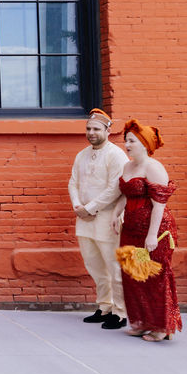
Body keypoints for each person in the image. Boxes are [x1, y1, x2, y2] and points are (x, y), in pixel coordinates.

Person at [110, 119, 182, 342]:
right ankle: (142, 323)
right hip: (131, 229)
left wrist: (152, 236)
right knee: (135, 275)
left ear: (144, 143)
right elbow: (126, 193)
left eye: (131, 141)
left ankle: (161, 327)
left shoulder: (153, 167)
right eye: (126, 141)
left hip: (155, 231)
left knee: (154, 276)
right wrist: (116, 213)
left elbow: (159, 204)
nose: (127, 145)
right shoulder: (127, 166)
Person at [68, 108, 129, 329]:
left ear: (108, 130)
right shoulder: (81, 154)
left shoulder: (116, 154)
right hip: (83, 218)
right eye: (88, 128)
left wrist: (91, 208)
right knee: (94, 265)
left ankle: (120, 313)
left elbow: (116, 188)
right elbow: (73, 182)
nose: (91, 132)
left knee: (114, 266)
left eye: (96, 129)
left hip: (106, 219)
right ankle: (104, 306)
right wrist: (77, 205)